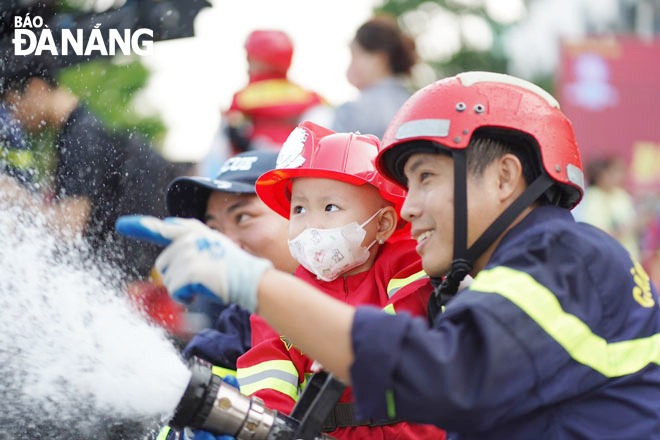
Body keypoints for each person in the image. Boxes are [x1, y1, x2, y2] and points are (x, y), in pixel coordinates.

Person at [119, 72, 660, 439]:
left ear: (505, 176)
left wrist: (256, 284)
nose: (411, 206)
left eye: (425, 177)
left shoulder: (566, 256)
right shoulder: (510, 273)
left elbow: (443, 374)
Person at [236, 121, 443, 439]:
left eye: (330, 207)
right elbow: (266, 370)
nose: (311, 226)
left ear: (384, 224)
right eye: (300, 209)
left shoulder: (407, 265)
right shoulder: (283, 296)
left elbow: (407, 317)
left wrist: (341, 344)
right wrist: (274, 428)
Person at [1, 55, 190, 279]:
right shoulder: (86, 127)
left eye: (12, 103)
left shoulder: (80, 137)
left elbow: (68, 229)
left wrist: (14, 195)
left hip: (131, 281)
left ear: (36, 89)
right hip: (143, 271)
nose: (14, 117)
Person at [155, 150, 298, 440]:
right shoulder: (220, 344)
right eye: (213, 229)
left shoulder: (373, 306)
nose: (223, 244)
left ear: (301, 213)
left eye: (243, 217)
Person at [198, 30, 328, 177]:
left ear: (258, 59)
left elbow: (220, 151)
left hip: (250, 175)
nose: (247, 66)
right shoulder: (309, 97)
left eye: (250, 59)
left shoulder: (241, 99)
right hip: (296, 175)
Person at [332, 16, 417, 138]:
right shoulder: (415, 106)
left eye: (355, 55)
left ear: (379, 59)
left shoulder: (350, 111)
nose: (351, 65)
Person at [575, 156, 640, 260]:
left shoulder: (622, 195)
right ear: (600, 174)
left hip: (628, 257)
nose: (618, 176)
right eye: (612, 173)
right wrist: (625, 228)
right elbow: (596, 233)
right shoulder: (592, 196)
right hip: (605, 258)